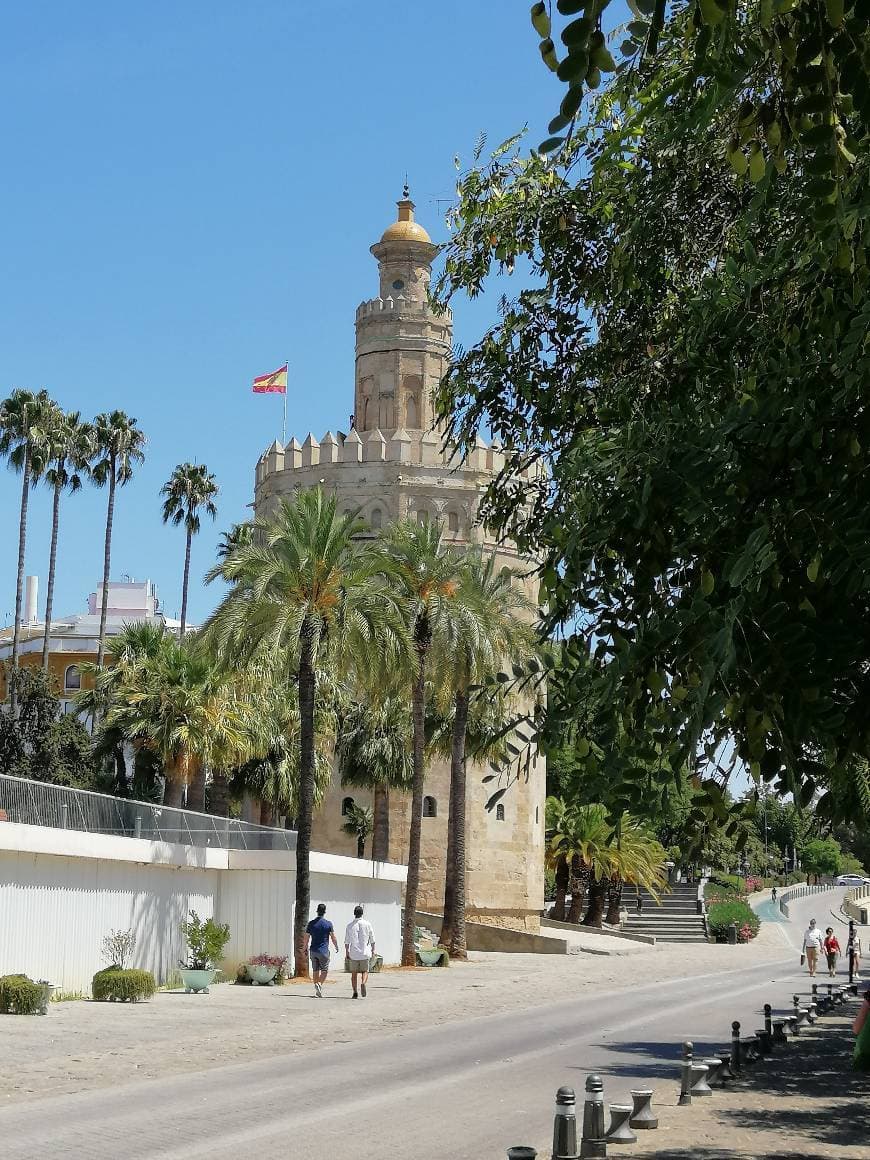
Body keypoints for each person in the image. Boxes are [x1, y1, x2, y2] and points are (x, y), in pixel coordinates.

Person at [304, 902, 338, 998]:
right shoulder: (328, 924)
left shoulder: (311, 924)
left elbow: (306, 938)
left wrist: (305, 948)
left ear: (317, 911)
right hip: (324, 951)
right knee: (324, 970)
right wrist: (336, 946)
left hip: (313, 951)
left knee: (315, 970)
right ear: (324, 912)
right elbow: (333, 937)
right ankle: (319, 984)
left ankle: (317, 990)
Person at [345, 904, 376, 999]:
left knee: (353, 974)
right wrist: (373, 950)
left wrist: (347, 953)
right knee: (365, 971)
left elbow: (346, 942)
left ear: (354, 914)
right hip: (364, 953)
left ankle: (355, 992)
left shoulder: (349, 926)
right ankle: (363, 983)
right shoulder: (368, 924)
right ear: (362, 913)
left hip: (354, 953)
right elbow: (372, 939)